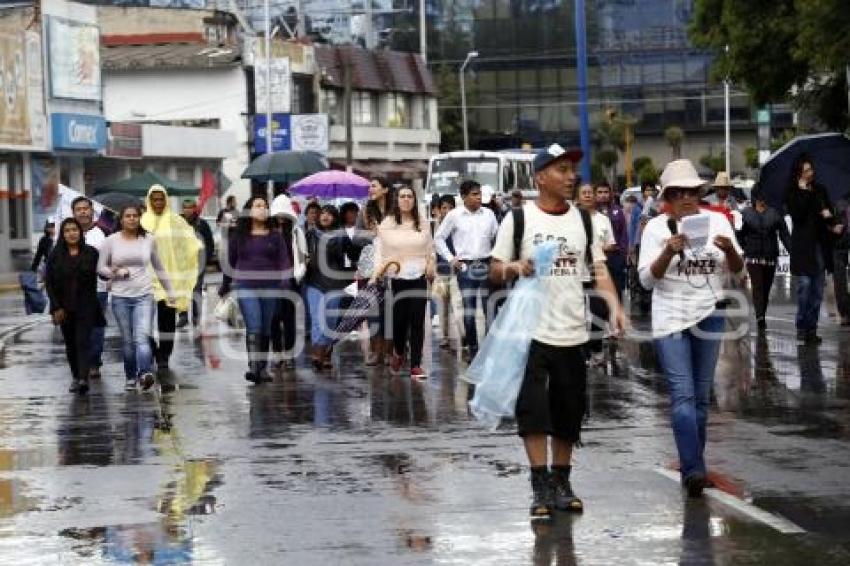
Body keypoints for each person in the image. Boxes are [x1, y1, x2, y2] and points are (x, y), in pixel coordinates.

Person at [490, 143, 625, 521]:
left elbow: (599, 271)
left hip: (572, 330)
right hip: (529, 331)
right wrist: (516, 266)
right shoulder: (518, 219)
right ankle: (540, 485)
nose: (570, 177)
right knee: (533, 409)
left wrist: (615, 307)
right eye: (562, 170)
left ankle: (562, 481)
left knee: (569, 410)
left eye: (572, 171)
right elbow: (494, 270)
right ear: (540, 177)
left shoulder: (583, 222)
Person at [638, 159, 744, 498]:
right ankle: (694, 470)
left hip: (708, 316)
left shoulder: (717, 222)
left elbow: (739, 271)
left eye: (691, 191)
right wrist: (668, 253)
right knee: (682, 396)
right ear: (667, 196)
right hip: (671, 318)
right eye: (677, 192)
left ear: (700, 193)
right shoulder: (656, 228)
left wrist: (729, 251)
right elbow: (646, 280)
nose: (686, 198)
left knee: (700, 398)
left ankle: (693, 461)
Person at [98, 205, 175, 391]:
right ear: (121, 220)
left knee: (142, 337)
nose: (132, 219)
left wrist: (170, 292)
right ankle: (130, 376)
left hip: (144, 295)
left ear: (139, 218)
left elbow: (159, 267)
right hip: (120, 297)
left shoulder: (148, 239)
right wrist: (116, 273)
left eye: (135, 216)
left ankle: (145, 373)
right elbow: (100, 268)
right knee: (127, 341)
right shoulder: (110, 241)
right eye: (128, 216)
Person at [221, 196, 291, 383]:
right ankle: (254, 366)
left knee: (266, 328)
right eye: (258, 206)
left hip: (271, 287)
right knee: (255, 325)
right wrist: (225, 285)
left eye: (265, 206)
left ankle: (262, 369)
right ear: (249, 210)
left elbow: (284, 260)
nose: (263, 209)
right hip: (245, 286)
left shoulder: (276, 235)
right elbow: (230, 261)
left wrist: (285, 282)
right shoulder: (238, 235)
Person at [373, 186, 436, 379]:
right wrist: (376, 274)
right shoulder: (387, 224)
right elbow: (380, 251)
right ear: (397, 200)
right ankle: (399, 351)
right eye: (402, 196)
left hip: (418, 277)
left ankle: (416, 364)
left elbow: (430, 249)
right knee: (399, 323)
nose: (406, 200)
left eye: (410, 196)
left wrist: (430, 266)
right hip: (396, 277)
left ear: (415, 200)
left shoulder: (423, 223)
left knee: (417, 321)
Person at [434, 180, 499, 362]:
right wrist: (450, 259)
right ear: (464, 197)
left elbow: (498, 237)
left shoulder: (489, 214)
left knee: (490, 311)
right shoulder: (454, 216)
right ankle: (473, 349)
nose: (479, 197)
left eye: (479, 194)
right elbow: (438, 238)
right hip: (465, 267)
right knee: (469, 313)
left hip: (486, 264)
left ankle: (488, 350)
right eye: (474, 194)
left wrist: (496, 259)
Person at [141, 185, 200, 374]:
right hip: (146, 278)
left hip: (169, 278)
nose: (158, 203)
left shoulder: (176, 221)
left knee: (167, 320)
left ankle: (164, 355)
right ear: (149, 201)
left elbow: (188, 244)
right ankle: (153, 350)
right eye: (154, 199)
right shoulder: (141, 221)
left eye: (161, 199)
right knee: (143, 322)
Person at [785, 154, 843, 344]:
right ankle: (802, 325)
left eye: (811, 170)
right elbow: (798, 215)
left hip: (819, 244)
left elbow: (827, 213)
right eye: (806, 170)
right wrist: (803, 191)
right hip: (803, 247)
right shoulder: (792, 191)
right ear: (799, 173)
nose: (810, 173)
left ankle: (811, 329)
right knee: (805, 287)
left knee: (817, 290)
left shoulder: (820, 190)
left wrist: (833, 223)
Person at [45, 218, 106, 394]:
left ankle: (83, 379)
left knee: (82, 341)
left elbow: (102, 272)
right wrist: (56, 308)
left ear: (80, 232)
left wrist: (113, 273)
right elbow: (49, 283)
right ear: (63, 235)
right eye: (67, 230)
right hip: (64, 308)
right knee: (71, 344)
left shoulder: (91, 253)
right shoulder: (55, 255)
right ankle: (75, 376)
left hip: (86, 306)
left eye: (74, 229)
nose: (71, 233)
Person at [304, 205, 358, 370]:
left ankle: (326, 354)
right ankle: (318, 353)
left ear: (335, 217)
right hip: (314, 281)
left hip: (335, 283)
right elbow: (300, 252)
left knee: (331, 321)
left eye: (330, 213)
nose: (325, 216)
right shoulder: (311, 234)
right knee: (316, 318)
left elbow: (354, 255)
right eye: (323, 213)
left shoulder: (341, 235)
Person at [737, 187, 791, 330]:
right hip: (753, 257)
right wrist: (744, 248)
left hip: (770, 256)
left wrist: (792, 251)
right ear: (754, 198)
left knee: (766, 288)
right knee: (758, 286)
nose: (761, 199)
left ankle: (762, 313)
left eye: (763, 196)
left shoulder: (775, 213)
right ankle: (760, 317)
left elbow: (784, 234)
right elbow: (740, 235)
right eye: (758, 196)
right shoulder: (746, 214)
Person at [578, 184, 618, 368]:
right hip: (576, 273)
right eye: (583, 193)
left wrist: (598, 250)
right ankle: (583, 353)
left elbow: (611, 243)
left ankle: (595, 347)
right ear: (578, 197)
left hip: (598, 271)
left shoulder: (603, 219)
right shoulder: (572, 218)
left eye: (590, 193)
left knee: (600, 311)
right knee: (579, 315)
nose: (587, 196)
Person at [70, 197, 109, 380]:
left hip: (98, 289)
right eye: (79, 209)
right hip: (72, 291)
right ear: (73, 212)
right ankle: (79, 363)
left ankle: (94, 363)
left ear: (92, 211)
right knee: (75, 328)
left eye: (86, 208)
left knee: (95, 328)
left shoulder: (102, 233)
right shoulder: (68, 232)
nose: (83, 212)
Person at [358, 176, 395, 365]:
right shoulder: (365, 211)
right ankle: (375, 351)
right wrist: (372, 235)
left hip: (393, 265)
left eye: (374, 186)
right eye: (369, 187)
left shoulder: (396, 211)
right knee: (372, 309)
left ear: (385, 189)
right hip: (370, 266)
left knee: (390, 309)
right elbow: (356, 237)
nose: (370, 189)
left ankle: (390, 351)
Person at [270, 194, 308, 369]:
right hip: (271, 281)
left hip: (290, 281)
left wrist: (300, 271)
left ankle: (289, 354)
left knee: (288, 318)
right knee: (273, 318)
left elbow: (302, 253)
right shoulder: (268, 231)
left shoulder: (295, 231)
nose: (280, 218)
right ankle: (277, 352)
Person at [433, 194, 464, 351]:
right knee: (442, 307)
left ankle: (463, 337)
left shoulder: (458, 225)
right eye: (444, 208)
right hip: (440, 273)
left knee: (458, 306)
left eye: (450, 207)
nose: (447, 211)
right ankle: (444, 338)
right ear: (439, 210)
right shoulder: (435, 226)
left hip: (456, 272)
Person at [180, 198, 215, 327]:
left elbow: (209, 242)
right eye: (185, 207)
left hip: (198, 261)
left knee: (196, 289)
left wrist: (207, 258)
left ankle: (196, 316)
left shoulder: (202, 224)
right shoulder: (178, 223)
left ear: (194, 209)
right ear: (182, 209)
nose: (188, 210)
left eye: (190, 208)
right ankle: (183, 316)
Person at [595, 181, 628, 297]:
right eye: (600, 192)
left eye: (606, 192)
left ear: (610, 194)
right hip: (598, 258)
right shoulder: (591, 212)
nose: (603, 195)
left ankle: (616, 312)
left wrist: (623, 254)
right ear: (595, 194)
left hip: (615, 257)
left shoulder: (617, 211)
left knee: (616, 289)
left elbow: (623, 233)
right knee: (599, 292)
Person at [833, 195, 850, 326]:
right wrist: (834, 227)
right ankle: (844, 313)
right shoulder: (838, 201)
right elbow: (828, 222)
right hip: (839, 247)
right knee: (840, 282)